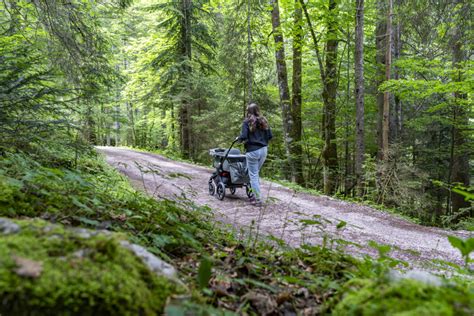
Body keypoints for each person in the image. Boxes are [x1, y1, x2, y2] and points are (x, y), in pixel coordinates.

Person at [237, 103, 272, 206]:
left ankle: (257, 199)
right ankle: (253, 194)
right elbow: (270, 136)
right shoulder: (264, 121)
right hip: (264, 150)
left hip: (252, 151)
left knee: (253, 175)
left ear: (248, 111)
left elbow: (243, 136)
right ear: (258, 110)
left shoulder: (246, 122)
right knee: (255, 173)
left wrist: (239, 139)